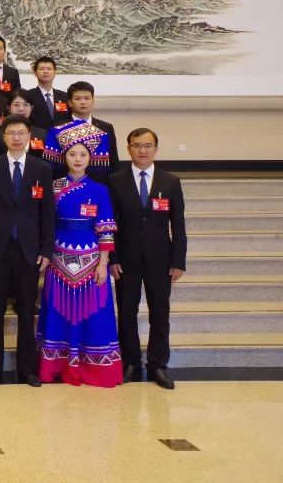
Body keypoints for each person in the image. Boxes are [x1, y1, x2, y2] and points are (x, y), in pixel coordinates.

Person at [37, 133, 122, 387]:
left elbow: (106, 230)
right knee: (57, 312)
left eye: (83, 154)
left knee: (94, 314)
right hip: (58, 259)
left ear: (90, 158)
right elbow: (45, 224)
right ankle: (57, 365)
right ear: (64, 157)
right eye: (72, 154)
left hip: (92, 262)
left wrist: (103, 263)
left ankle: (93, 367)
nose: (77, 159)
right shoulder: (53, 187)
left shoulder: (100, 190)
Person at [0, 114, 54, 386]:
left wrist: (46, 248)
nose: (17, 138)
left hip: (29, 250)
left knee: (26, 311)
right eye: (11, 133)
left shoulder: (42, 169)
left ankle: (27, 369)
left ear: (29, 136)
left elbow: (47, 212)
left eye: (21, 133)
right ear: (4, 137)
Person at [109, 128, 187, 390]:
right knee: (127, 313)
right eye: (137, 145)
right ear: (128, 148)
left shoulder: (170, 182)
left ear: (155, 148)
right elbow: (110, 224)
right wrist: (113, 258)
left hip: (160, 260)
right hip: (125, 260)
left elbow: (178, 225)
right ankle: (130, 362)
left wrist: (178, 261)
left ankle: (158, 364)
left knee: (160, 314)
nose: (142, 150)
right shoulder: (115, 181)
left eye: (147, 145)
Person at [43, 81, 120, 183]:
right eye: (78, 99)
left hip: (99, 185)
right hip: (65, 186)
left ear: (93, 100)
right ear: (70, 102)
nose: (83, 102)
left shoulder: (106, 128)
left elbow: (114, 162)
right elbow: (51, 165)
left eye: (87, 98)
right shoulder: (58, 128)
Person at [0, 89, 48, 159]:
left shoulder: (42, 134)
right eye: (16, 105)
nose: (21, 109)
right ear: (9, 108)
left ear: (31, 108)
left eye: (25, 104)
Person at [24, 56, 70, 131]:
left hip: (61, 136)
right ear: (35, 73)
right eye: (41, 69)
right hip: (37, 136)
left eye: (49, 69)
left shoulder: (64, 96)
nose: (46, 71)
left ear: (55, 72)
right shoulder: (27, 96)